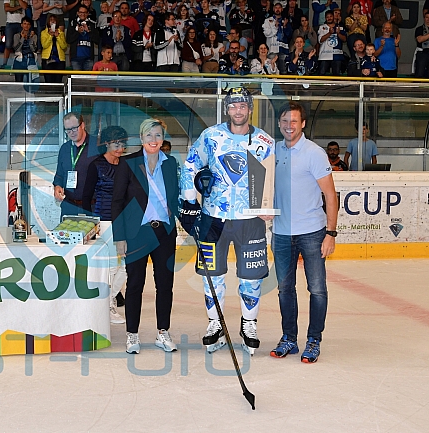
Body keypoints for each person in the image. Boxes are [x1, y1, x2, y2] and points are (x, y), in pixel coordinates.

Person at [179, 87, 275, 356]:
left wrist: (269, 204)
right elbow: (190, 165)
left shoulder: (265, 141)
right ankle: (215, 324)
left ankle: (249, 324)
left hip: (250, 219)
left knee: (251, 276)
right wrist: (189, 201)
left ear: (250, 108)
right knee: (212, 275)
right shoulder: (211, 137)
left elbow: (272, 177)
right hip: (213, 218)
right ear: (226, 109)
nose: (238, 110)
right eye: (233, 106)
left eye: (243, 105)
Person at [271, 102, 338, 363]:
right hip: (281, 233)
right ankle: (289, 338)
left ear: (303, 124)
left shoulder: (314, 153)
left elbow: (330, 196)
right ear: (279, 124)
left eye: (294, 121)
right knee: (284, 289)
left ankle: (314, 340)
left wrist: (330, 233)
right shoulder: (272, 151)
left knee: (317, 289)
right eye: (285, 121)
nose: (289, 126)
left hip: (312, 232)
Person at [111, 118, 179, 355]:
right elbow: (117, 201)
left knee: (165, 285)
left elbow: (175, 198)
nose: (153, 140)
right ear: (141, 139)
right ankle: (132, 334)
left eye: (158, 135)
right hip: (137, 233)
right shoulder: (127, 164)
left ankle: (163, 332)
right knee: (135, 285)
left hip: (164, 233)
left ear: (163, 139)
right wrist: (119, 237)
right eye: (149, 136)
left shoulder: (170, 164)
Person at [82, 126, 129, 325]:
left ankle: (110, 299)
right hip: (103, 220)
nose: (120, 148)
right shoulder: (96, 165)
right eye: (116, 144)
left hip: (124, 221)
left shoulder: (126, 164)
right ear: (107, 143)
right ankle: (106, 305)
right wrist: (90, 225)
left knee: (126, 266)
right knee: (111, 265)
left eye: (123, 143)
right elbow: (86, 196)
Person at [53, 112, 99, 217]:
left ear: (82, 125)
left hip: (92, 207)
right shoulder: (64, 149)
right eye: (68, 130)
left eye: (74, 128)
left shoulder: (98, 146)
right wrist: (57, 186)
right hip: (69, 206)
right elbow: (59, 175)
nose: (71, 132)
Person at [92, 45, 118, 129]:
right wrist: (98, 72)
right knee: (97, 112)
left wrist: (113, 74)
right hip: (99, 92)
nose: (110, 55)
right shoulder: (97, 65)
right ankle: (97, 128)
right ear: (102, 53)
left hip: (109, 92)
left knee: (109, 112)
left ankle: (109, 128)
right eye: (108, 53)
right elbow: (91, 78)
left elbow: (117, 79)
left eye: (111, 53)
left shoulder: (113, 65)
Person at [67, 5, 99, 71]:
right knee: (76, 80)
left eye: (84, 12)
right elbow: (68, 40)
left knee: (87, 81)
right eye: (81, 12)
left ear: (88, 13)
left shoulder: (92, 24)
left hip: (88, 59)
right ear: (77, 13)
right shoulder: (72, 24)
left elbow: (97, 40)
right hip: (76, 59)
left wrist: (88, 31)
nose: (82, 14)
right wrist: (77, 32)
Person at [318, 9, 346, 76]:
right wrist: (329, 33)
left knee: (336, 75)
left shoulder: (340, 27)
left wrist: (339, 34)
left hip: (337, 55)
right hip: (325, 54)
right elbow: (320, 40)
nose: (329, 18)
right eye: (327, 17)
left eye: (330, 16)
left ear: (333, 17)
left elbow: (344, 39)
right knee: (322, 74)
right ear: (325, 18)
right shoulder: (322, 27)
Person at [41, 14, 67, 83]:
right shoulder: (44, 33)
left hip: (59, 60)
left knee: (58, 81)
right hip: (47, 59)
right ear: (48, 22)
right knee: (48, 81)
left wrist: (58, 36)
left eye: (54, 20)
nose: (52, 22)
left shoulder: (61, 33)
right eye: (51, 20)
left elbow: (64, 46)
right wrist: (50, 36)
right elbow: (44, 45)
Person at [12, 17, 38, 82]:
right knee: (18, 81)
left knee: (31, 83)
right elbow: (16, 49)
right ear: (21, 25)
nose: (26, 26)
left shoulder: (34, 36)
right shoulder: (16, 36)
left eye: (28, 24)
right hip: (19, 61)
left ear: (30, 26)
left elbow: (33, 49)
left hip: (30, 61)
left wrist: (31, 39)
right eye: (25, 23)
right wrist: (22, 38)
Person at [3, 0, 28, 66]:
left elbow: (25, 6)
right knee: (8, 44)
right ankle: (4, 63)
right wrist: (19, 7)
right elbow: (6, 8)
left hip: (21, 23)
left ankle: (21, 63)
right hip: (10, 23)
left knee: (21, 44)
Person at [415, 11, 429, 78]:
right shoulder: (419, 29)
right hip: (422, 53)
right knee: (419, 73)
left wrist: (425, 37)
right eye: (426, 17)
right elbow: (420, 39)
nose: (428, 19)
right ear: (424, 18)